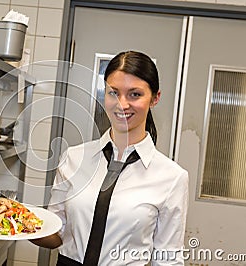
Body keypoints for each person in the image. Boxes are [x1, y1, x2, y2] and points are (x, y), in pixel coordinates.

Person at [31, 51, 189, 265]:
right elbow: (56, 232)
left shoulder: (172, 178)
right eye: (113, 93)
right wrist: (18, 223)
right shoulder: (74, 158)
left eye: (135, 94)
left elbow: (167, 259)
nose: (122, 104)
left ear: (155, 98)